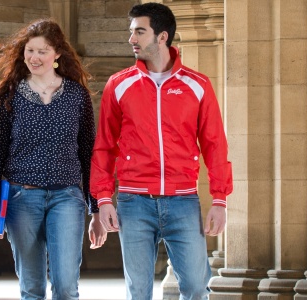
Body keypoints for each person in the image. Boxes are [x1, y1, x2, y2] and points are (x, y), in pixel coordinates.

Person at [90, 3, 233, 299]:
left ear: (162, 36)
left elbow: (215, 145)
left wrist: (219, 199)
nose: (132, 39)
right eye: (131, 32)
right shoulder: (119, 85)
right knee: (138, 291)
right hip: (134, 202)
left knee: (195, 286)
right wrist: (104, 198)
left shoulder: (198, 85)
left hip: (183, 202)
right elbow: (104, 146)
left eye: (139, 32)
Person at [0, 19, 106, 300]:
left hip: (67, 196)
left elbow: (88, 153)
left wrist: (96, 208)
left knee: (66, 287)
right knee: (32, 287)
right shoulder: (9, 95)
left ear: (57, 54)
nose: (34, 57)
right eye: (29, 51)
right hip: (21, 198)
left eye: (42, 51)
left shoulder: (77, 95)